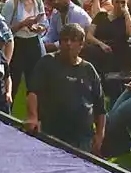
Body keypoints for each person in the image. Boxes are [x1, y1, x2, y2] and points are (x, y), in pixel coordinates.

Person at [26, 23, 105, 152]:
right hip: (51, 134)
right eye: (65, 40)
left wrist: (100, 134)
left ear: (81, 44)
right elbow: (33, 92)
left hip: (83, 138)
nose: (68, 44)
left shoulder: (89, 69)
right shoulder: (47, 62)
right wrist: (33, 117)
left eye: (73, 40)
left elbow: (100, 106)